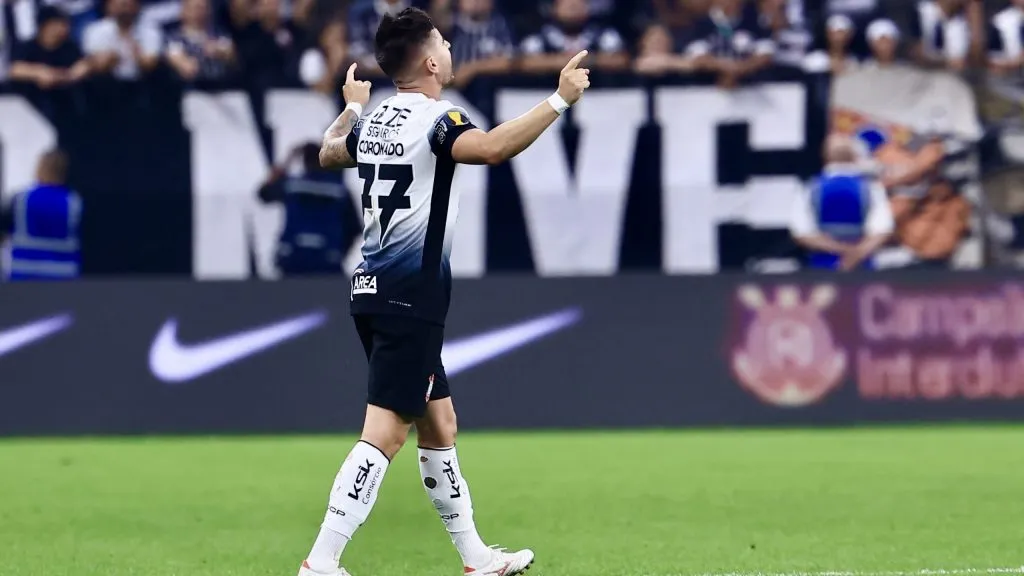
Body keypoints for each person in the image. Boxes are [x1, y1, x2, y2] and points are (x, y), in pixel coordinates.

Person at [304, 7, 590, 576]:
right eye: (443, 41)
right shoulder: (438, 119)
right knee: (384, 433)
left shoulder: (379, 120)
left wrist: (353, 106)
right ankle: (322, 561)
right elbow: (490, 149)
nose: (451, 47)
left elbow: (328, 151)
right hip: (411, 296)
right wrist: (559, 100)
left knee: (440, 426)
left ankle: (477, 558)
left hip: (373, 289)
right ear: (431, 61)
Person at [789, 134, 893, 271]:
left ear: (825, 156)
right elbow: (882, 231)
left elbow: (802, 233)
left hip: (822, 269)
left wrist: (841, 250)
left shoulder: (809, 188)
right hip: (862, 269)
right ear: (853, 156)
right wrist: (855, 253)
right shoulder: (871, 188)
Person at [257, 142, 362, 277]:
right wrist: (338, 252)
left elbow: (263, 194)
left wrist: (287, 161)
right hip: (328, 261)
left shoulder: (292, 186)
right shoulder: (340, 191)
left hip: (292, 259)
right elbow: (355, 229)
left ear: (304, 161)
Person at [1, 149, 83, 281]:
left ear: (40, 168)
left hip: (24, 277)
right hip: (64, 279)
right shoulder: (75, 202)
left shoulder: (21, 199)